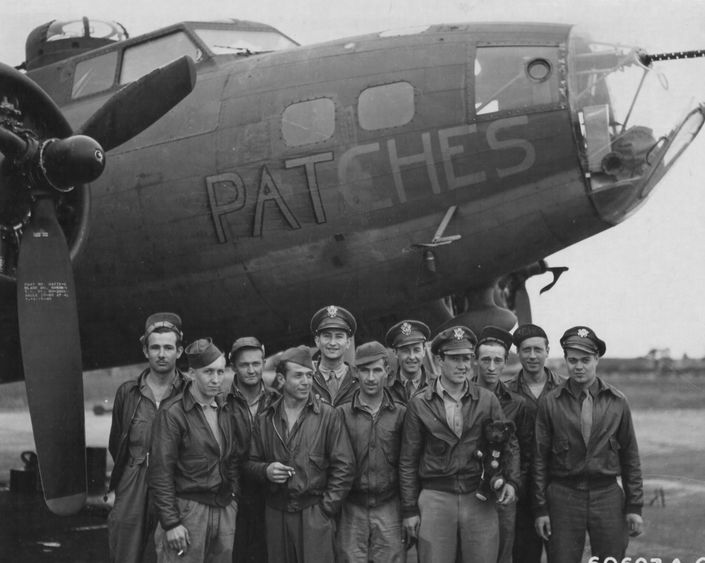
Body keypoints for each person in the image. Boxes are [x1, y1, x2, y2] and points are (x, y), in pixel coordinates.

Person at [399, 326, 519, 563]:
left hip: (479, 496)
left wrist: (513, 482)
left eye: (466, 358)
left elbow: (509, 445)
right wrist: (410, 509)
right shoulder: (420, 404)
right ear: (438, 360)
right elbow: (408, 461)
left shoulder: (487, 399)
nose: (462, 365)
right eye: (454, 358)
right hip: (435, 496)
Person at [533, 326, 644, 563]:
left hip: (607, 495)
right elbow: (539, 459)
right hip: (563, 495)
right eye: (572, 360)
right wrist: (541, 509)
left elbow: (630, 458)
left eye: (585, 360)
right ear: (565, 360)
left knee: (611, 558)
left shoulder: (617, 402)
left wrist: (634, 506)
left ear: (597, 359)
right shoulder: (550, 402)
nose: (579, 366)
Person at [245, 345, 355, 563]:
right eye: (298, 376)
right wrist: (265, 470)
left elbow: (345, 467)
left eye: (309, 376)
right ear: (281, 379)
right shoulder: (266, 418)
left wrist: (326, 510)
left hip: (313, 512)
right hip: (276, 513)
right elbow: (249, 463)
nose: (306, 382)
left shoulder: (327, 416)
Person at [149, 338, 243, 563]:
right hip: (188, 512)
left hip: (223, 509)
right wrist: (171, 523)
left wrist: (233, 501)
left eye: (221, 372)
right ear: (191, 373)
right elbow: (160, 473)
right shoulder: (173, 414)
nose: (216, 379)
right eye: (209, 372)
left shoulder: (225, 409)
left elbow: (232, 460)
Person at [107, 312, 186, 563]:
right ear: (145, 351)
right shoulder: (127, 392)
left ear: (179, 351)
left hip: (176, 481)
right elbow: (116, 441)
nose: (162, 354)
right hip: (134, 479)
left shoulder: (190, 391)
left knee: (175, 552)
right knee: (125, 551)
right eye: (155, 348)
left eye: (168, 347)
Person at [337, 341, 407, 563]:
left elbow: (408, 464)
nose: (370, 377)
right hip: (351, 508)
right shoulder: (341, 414)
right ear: (355, 372)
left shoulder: (401, 414)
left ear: (387, 372)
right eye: (365, 370)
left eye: (377, 370)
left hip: (389, 506)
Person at [472, 326, 532, 563]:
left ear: (506, 361)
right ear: (476, 361)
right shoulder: (462, 396)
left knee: (503, 553)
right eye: (485, 359)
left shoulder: (517, 404)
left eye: (498, 360)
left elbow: (522, 450)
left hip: (502, 491)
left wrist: (515, 485)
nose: (491, 366)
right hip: (469, 490)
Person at [506, 323, 563, 563]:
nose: (532, 356)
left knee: (562, 554)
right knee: (523, 555)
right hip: (521, 490)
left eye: (538, 349)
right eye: (526, 350)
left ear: (547, 350)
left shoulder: (567, 389)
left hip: (560, 486)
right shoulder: (505, 393)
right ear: (517, 352)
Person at [227, 337, 273, 563]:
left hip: (270, 492)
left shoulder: (277, 399)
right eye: (245, 365)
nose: (252, 370)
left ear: (264, 363)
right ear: (233, 366)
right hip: (235, 493)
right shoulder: (222, 402)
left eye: (256, 363)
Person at [310, 305, 359, 406]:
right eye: (327, 336)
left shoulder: (360, 379)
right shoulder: (307, 379)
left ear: (348, 342)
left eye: (339, 336)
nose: (332, 342)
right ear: (317, 341)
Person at [385, 320, 432, 403]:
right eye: (405, 351)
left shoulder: (438, 385)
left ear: (424, 351)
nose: (412, 357)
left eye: (416, 350)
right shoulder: (385, 387)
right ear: (395, 353)